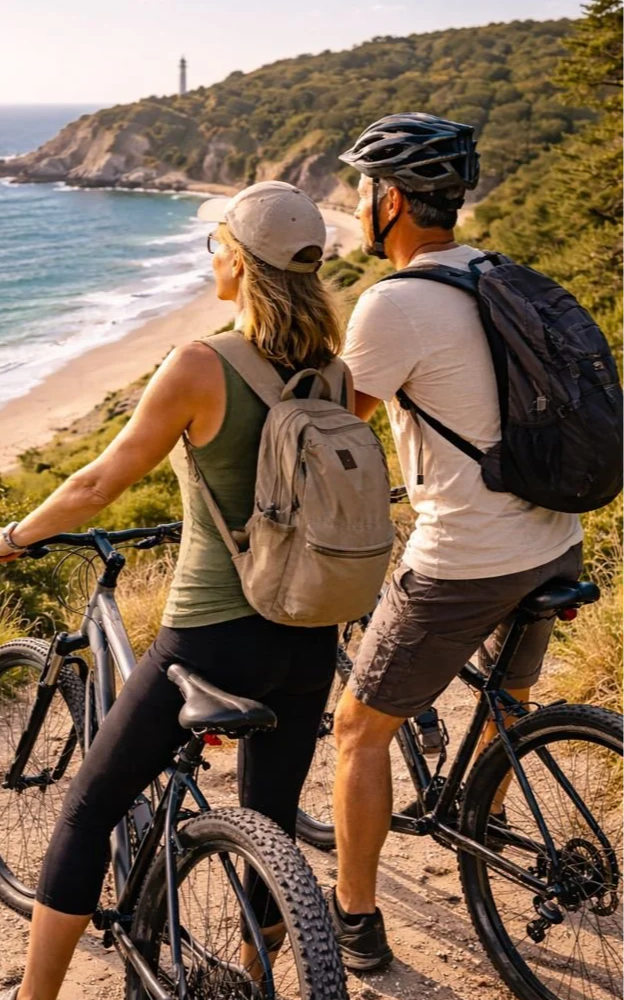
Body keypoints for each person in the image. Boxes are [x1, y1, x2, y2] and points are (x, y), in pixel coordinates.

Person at [0, 181, 345, 1000]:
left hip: (212, 635)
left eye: (216, 246)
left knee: (88, 811)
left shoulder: (202, 362)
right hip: (312, 635)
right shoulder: (333, 370)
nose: (209, 256)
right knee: (270, 820)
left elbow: (99, 481)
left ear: (239, 264)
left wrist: (15, 536)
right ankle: (260, 981)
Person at [329, 113, 583, 972]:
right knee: (504, 701)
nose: (358, 204)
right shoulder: (505, 276)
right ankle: (488, 810)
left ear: (391, 201)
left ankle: (356, 921)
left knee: (359, 730)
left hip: (466, 557)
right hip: (555, 538)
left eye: (362, 191)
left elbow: (335, 426)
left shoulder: (391, 302)